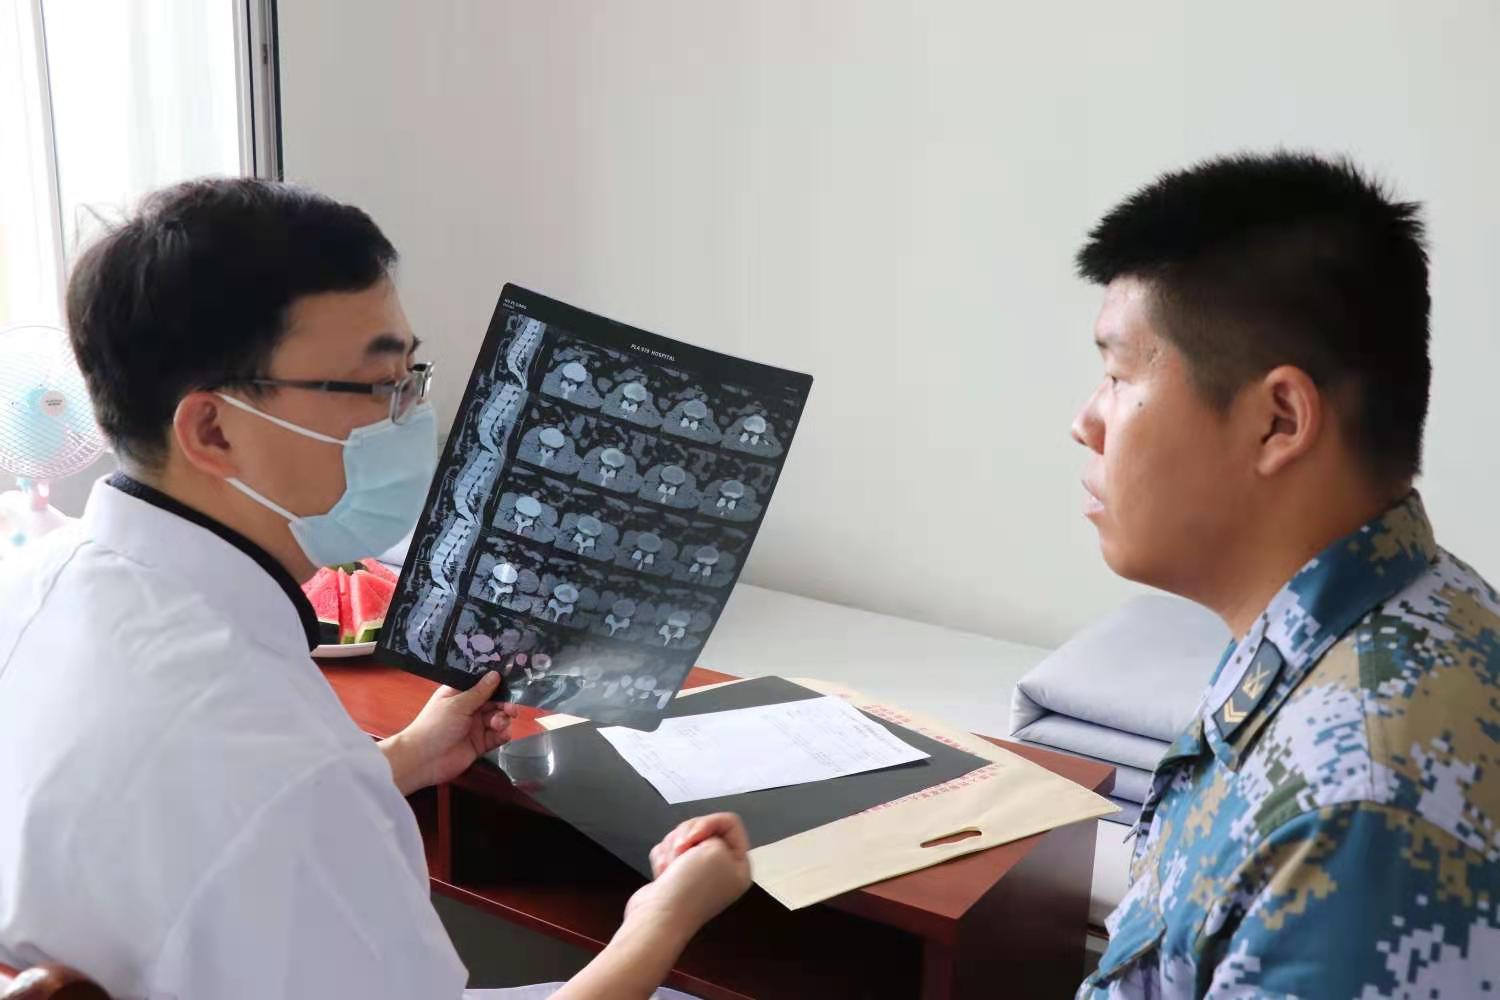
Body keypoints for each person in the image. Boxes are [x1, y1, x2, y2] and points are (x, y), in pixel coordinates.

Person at [0, 178, 750, 999]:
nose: (411, 417)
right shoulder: (287, 770)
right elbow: (267, 802)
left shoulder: (33, 587)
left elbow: (179, 828)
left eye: (411, 376)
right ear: (213, 430)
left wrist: (402, 758)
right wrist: (663, 918)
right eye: (379, 387)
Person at [1068, 152, 1498, 997]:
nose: (1086, 421)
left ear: (1278, 421)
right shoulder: (1371, 621)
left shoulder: (1360, 815)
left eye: (1118, 376)